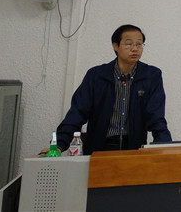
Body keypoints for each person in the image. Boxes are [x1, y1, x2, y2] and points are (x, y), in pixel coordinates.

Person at [47, 24, 172, 155]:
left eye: (139, 44)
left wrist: (165, 147)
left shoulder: (151, 76)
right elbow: (77, 113)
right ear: (115, 46)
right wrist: (59, 145)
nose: (135, 49)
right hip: (99, 149)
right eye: (129, 44)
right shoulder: (96, 76)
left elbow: (156, 117)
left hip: (134, 149)